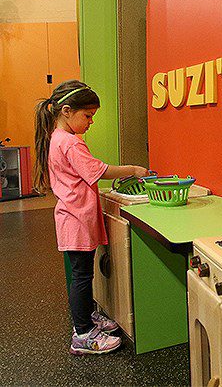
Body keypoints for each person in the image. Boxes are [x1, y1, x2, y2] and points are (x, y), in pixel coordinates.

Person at [33, 80, 148, 355]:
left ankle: (86, 318)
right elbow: (98, 170)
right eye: (88, 116)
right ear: (66, 111)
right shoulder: (70, 142)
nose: (91, 122)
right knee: (82, 276)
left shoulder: (57, 138)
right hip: (76, 219)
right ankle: (82, 333)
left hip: (72, 216)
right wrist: (133, 169)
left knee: (82, 273)